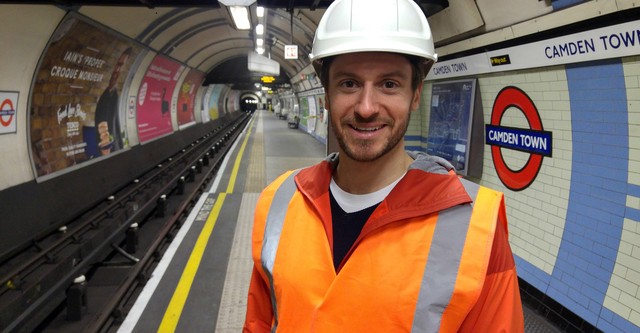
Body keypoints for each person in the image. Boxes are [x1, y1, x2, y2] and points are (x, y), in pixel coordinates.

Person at [243, 0, 524, 331]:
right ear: (326, 96)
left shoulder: (476, 225)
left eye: (389, 84)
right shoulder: (281, 200)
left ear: (415, 94)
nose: (366, 108)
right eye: (349, 83)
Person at [95, 47, 132, 155]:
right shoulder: (105, 97)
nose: (117, 70)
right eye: (117, 65)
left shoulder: (115, 96)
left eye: (121, 66)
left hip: (116, 148)